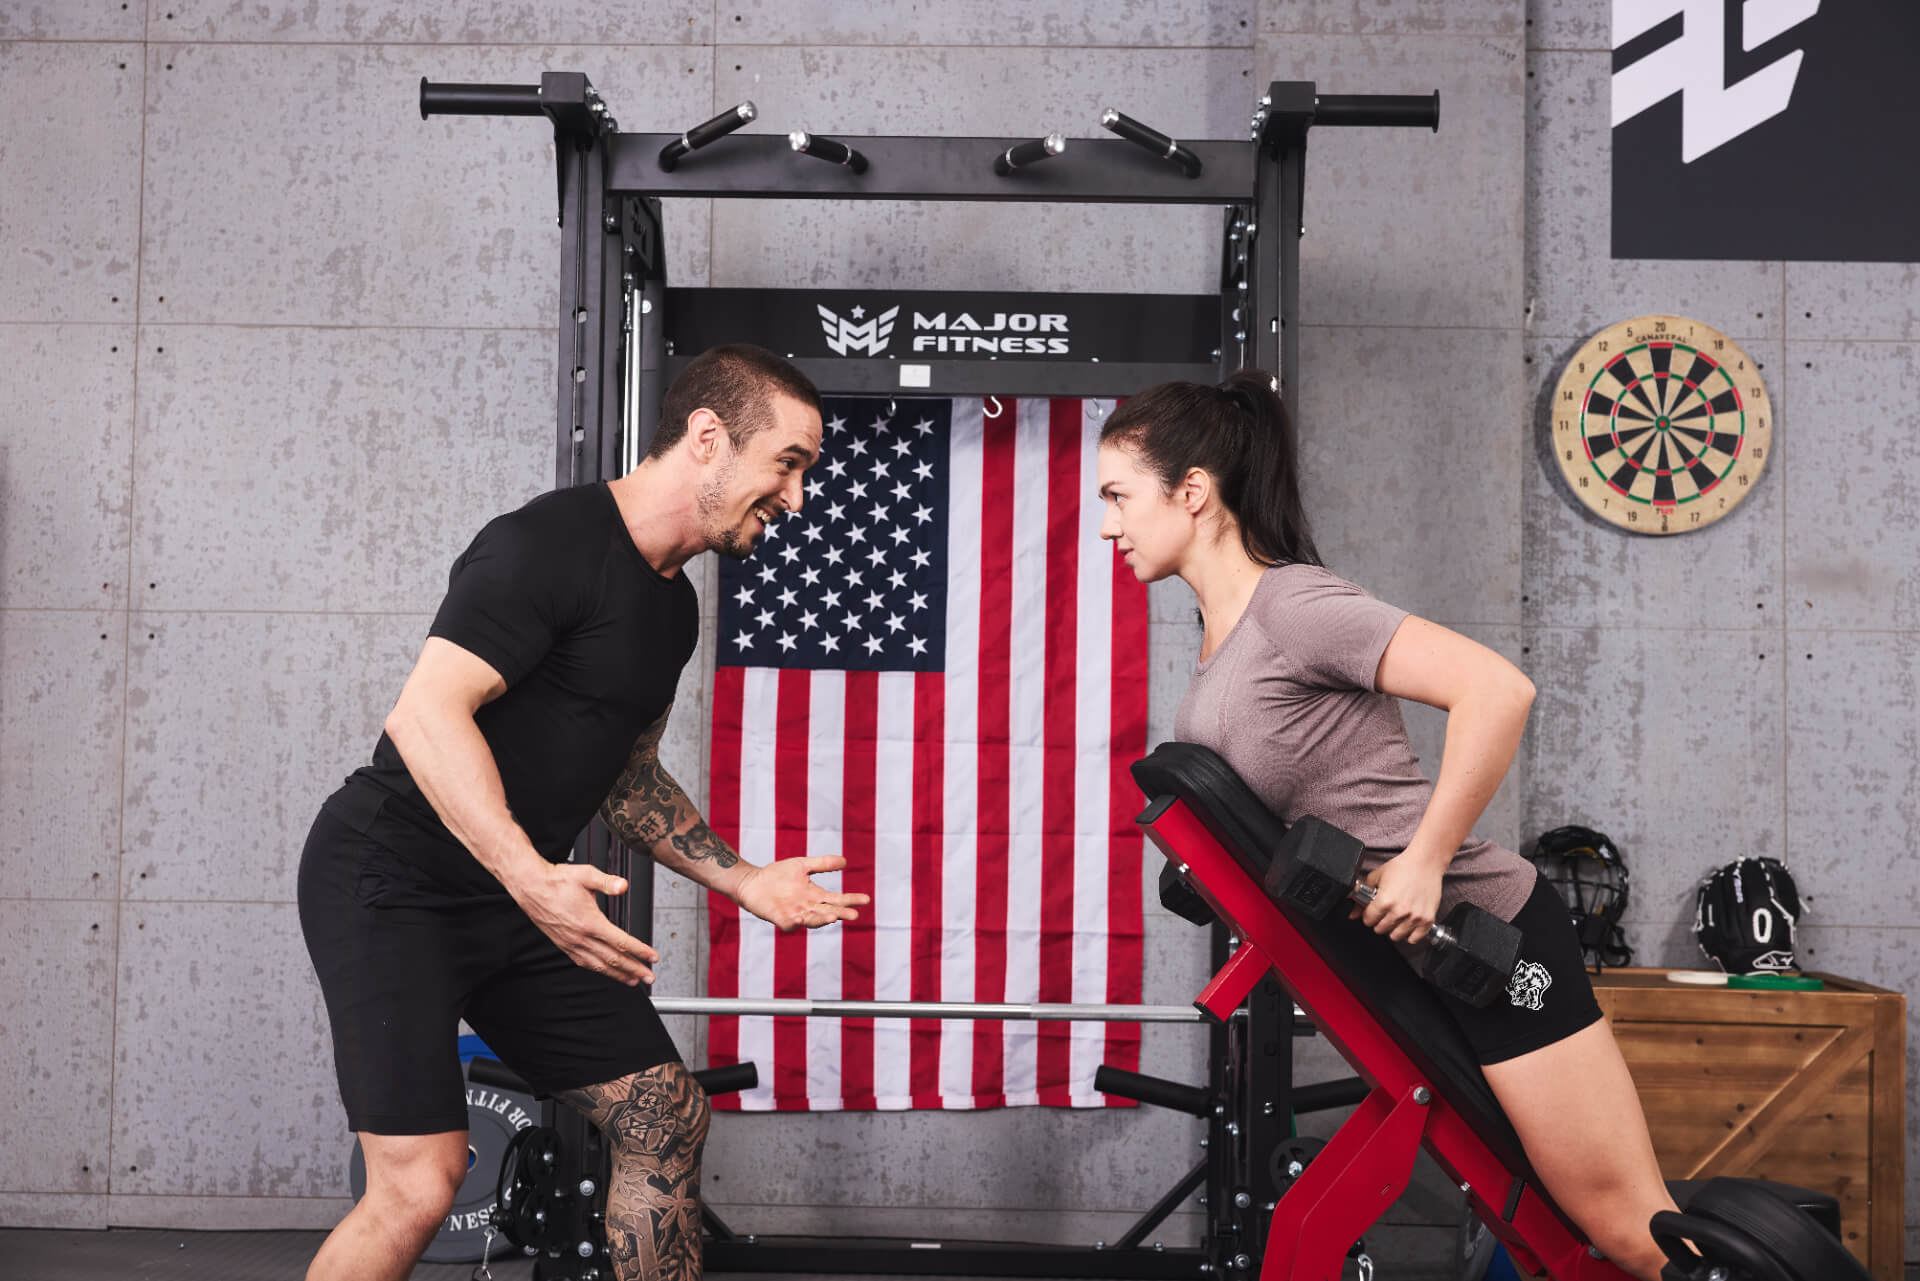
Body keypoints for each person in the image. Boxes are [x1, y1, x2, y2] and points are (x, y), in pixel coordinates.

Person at [297, 343, 870, 1281]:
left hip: (520, 897)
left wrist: (743, 877)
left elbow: (627, 776)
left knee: (663, 1112)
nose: (798, 498)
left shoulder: (672, 610)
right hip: (390, 880)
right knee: (418, 1182)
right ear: (708, 437)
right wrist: (534, 880)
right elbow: (425, 713)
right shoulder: (547, 542)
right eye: (789, 463)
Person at [1094, 370, 1678, 1281]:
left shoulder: (1296, 606)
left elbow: (1497, 689)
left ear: (1194, 492)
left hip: (1489, 938)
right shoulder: (1216, 653)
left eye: (1119, 496)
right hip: (1404, 966)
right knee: (1557, 1235)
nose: (1108, 526)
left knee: (1627, 1231)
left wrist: (1426, 858)